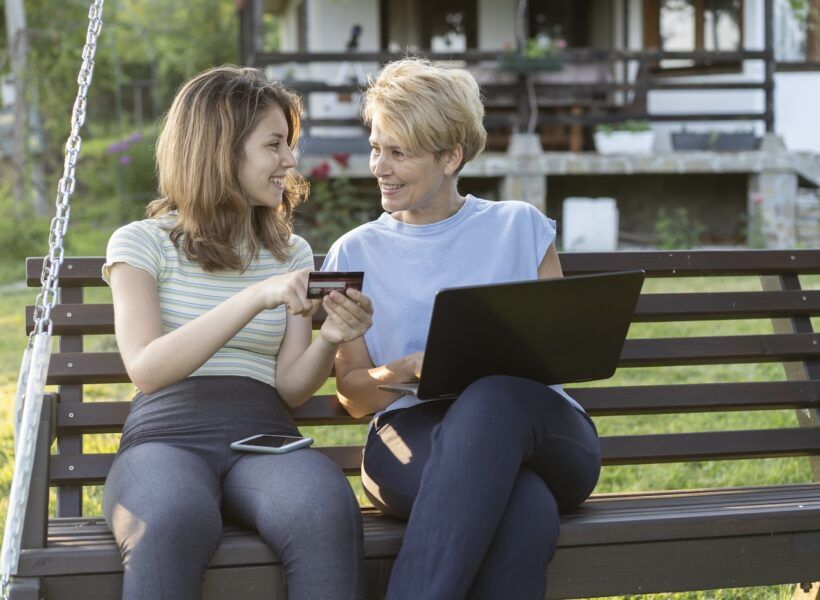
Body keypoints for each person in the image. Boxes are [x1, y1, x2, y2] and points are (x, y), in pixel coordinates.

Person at [322, 58, 602, 599]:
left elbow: (559, 352)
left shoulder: (519, 226)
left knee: (492, 397)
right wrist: (406, 368)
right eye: (376, 148)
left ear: (450, 157)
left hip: (540, 429)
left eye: (399, 153)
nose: (380, 167)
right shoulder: (355, 252)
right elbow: (353, 396)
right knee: (524, 506)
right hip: (414, 436)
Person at [101, 66, 372, 600]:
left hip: (264, 438)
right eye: (274, 144)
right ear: (221, 150)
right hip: (165, 441)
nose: (290, 161)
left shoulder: (290, 253)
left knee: (323, 507)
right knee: (172, 518)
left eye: (289, 144)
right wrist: (253, 297)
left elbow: (291, 387)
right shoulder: (141, 243)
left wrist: (331, 338)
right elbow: (146, 368)